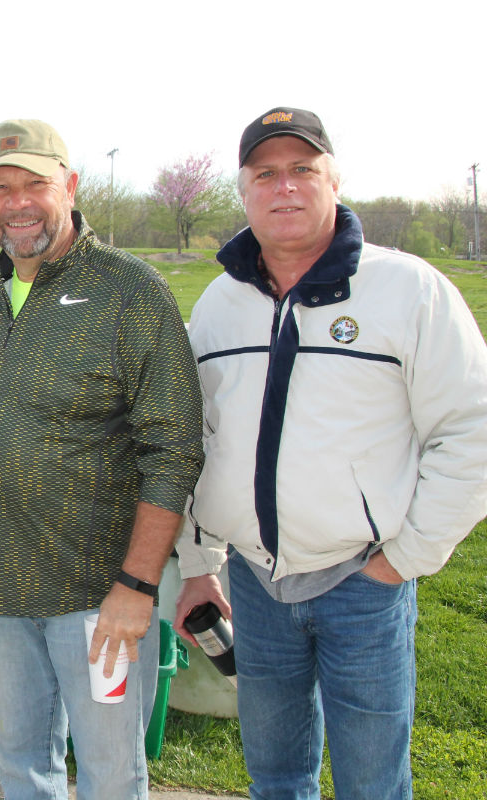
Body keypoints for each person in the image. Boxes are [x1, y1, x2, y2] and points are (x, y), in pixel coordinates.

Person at [173, 106, 487, 800]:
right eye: (266, 174)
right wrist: (199, 567)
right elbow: (192, 442)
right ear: (244, 190)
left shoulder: (408, 290)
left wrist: (404, 559)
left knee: (373, 783)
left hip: (362, 585)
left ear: (333, 180)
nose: (284, 187)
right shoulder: (219, 305)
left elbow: (472, 428)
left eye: (302, 170)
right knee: (277, 777)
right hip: (254, 585)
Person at [0, 119, 203, 800]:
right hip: (4, 596)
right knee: (21, 764)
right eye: (0, 187)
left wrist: (138, 586)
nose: (18, 202)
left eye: (34, 183)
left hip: (99, 601)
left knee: (110, 774)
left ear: (70, 184)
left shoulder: (131, 293)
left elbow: (174, 452)